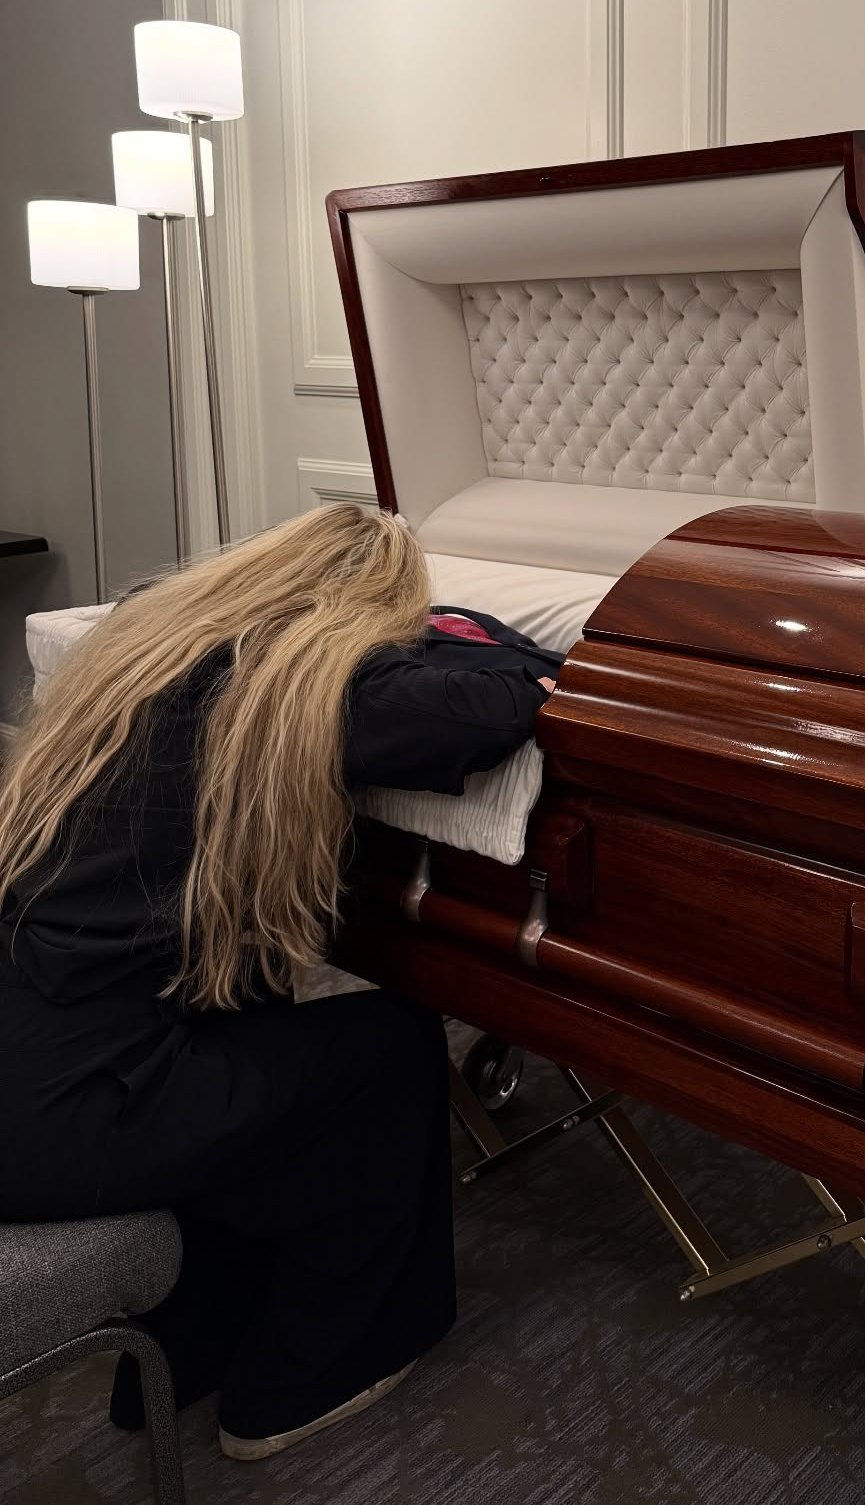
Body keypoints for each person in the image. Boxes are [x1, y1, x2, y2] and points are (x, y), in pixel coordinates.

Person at [0, 504, 559, 1460]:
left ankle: (193, 1350)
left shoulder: (143, 648)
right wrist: (467, 627)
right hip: (54, 1113)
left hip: (34, 1062)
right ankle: (304, 1376)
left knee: (249, 1016)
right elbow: (502, 699)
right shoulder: (294, 680)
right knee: (385, 1047)